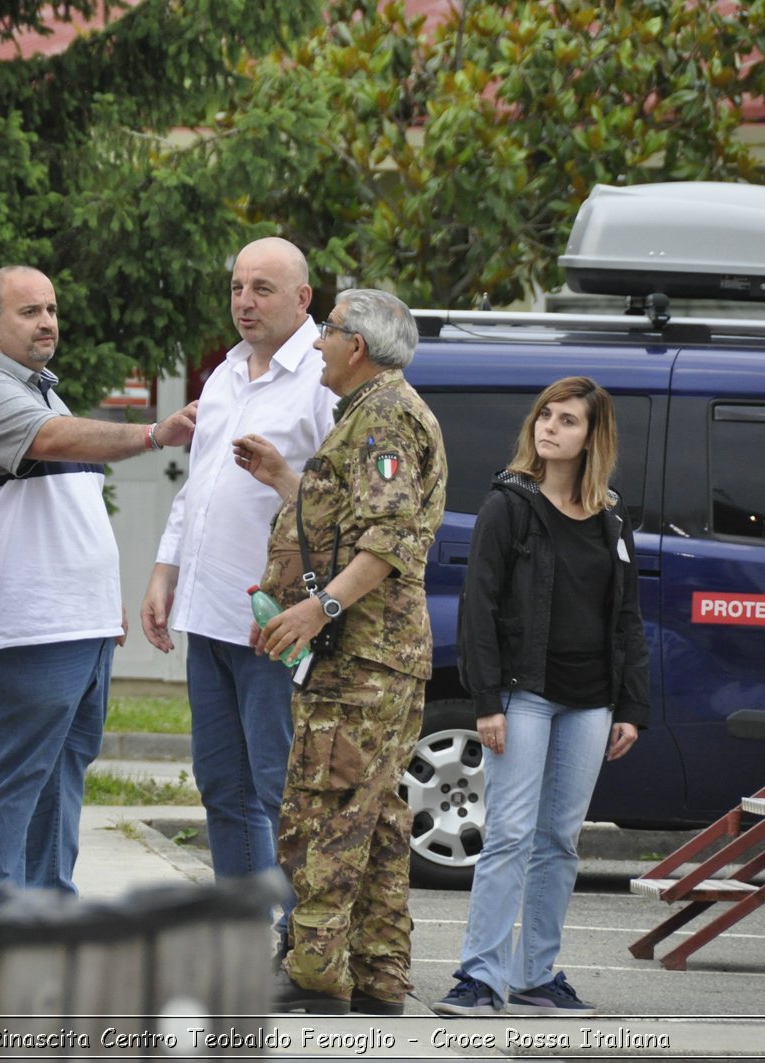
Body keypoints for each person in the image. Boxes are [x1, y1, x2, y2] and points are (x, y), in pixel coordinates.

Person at [0, 265, 197, 892]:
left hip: (77, 626)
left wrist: (104, 605)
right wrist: (154, 432)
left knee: (63, 772)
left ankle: (46, 916)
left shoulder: (38, 387)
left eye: (51, 309)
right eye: (30, 312)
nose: (48, 321)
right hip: (28, 629)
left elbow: (64, 505)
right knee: (16, 781)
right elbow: (51, 439)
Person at [237, 288, 446, 1017]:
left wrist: (315, 607)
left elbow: (387, 539)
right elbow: (349, 519)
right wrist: (283, 480)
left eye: (327, 330)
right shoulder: (370, 412)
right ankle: (378, 974)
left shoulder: (384, 414)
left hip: (363, 657)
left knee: (324, 809)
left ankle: (316, 969)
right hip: (375, 655)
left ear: (357, 345)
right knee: (377, 815)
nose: (318, 341)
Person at [431, 376, 648, 1019]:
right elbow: (479, 608)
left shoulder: (612, 516)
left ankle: (535, 976)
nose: (549, 427)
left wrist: (631, 707)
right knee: (509, 835)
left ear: (592, 437)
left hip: (591, 701)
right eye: (545, 416)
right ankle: (479, 978)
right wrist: (487, 700)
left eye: (568, 420)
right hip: (523, 695)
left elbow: (626, 617)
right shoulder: (510, 504)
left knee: (559, 841)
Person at [142, 237, 333, 887]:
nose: (244, 302)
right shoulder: (224, 375)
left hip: (275, 623)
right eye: (236, 288)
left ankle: (296, 939)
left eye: (262, 289)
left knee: (276, 788)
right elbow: (198, 488)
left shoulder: (323, 376)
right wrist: (165, 572)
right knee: (221, 786)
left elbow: (350, 509)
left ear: (303, 298)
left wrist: (283, 476)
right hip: (210, 613)